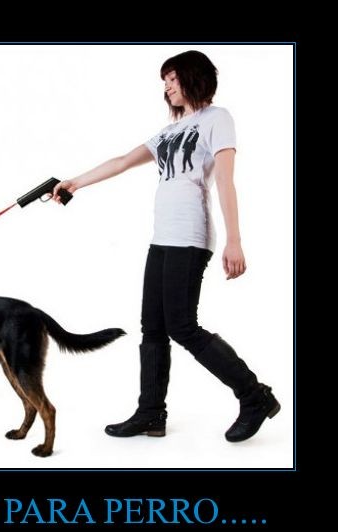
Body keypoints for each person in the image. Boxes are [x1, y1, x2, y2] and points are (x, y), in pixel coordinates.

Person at [52, 50, 280, 443]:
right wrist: (75, 182)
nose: (167, 87)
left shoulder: (218, 118)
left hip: (190, 236)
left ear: (193, 77)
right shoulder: (169, 131)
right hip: (162, 238)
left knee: (182, 326)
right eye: (165, 81)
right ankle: (151, 413)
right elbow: (123, 161)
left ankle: (254, 396)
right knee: (153, 328)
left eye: (172, 79)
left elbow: (226, 180)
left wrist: (235, 239)